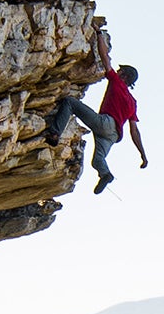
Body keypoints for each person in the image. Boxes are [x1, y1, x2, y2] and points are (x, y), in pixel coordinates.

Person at [44, 28, 149, 194]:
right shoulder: (133, 103)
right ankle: (105, 174)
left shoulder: (117, 82)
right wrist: (143, 155)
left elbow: (104, 58)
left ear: (124, 77)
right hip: (113, 135)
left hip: (105, 123)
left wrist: (99, 35)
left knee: (70, 103)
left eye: (121, 71)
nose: (118, 71)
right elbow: (134, 131)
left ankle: (54, 134)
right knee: (97, 160)